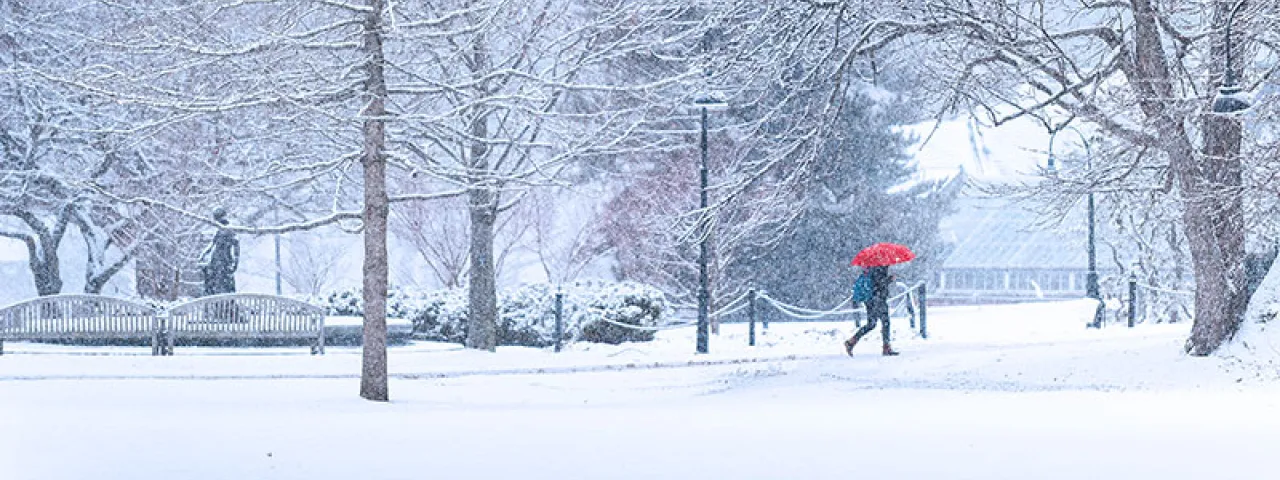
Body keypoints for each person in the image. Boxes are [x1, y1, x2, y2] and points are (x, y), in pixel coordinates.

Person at [844, 265, 899, 356]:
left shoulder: (872, 266)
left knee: (871, 324)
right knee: (885, 322)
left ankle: (851, 342)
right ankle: (886, 347)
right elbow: (879, 283)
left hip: (871, 299)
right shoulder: (879, 266)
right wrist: (890, 279)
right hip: (877, 298)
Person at [198, 207, 240, 296]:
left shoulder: (229, 230)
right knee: (214, 283)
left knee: (223, 284)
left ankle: (224, 303)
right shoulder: (219, 230)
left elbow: (236, 247)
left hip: (224, 260)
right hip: (217, 260)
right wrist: (203, 255)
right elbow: (212, 244)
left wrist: (235, 263)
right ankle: (215, 301)